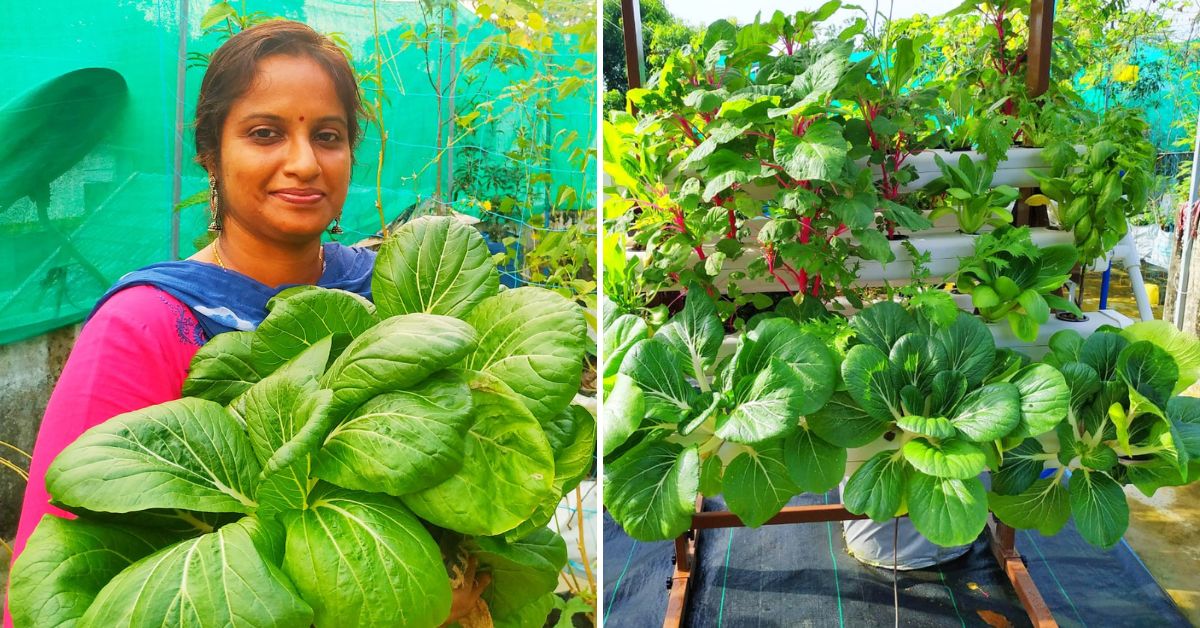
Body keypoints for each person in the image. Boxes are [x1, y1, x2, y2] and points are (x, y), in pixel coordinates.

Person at [4, 20, 486, 626]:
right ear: (211, 153)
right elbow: (63, 567)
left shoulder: (389, 293)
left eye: (329, 136)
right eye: (265, 134)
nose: (304, 163)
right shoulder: (151, 323)